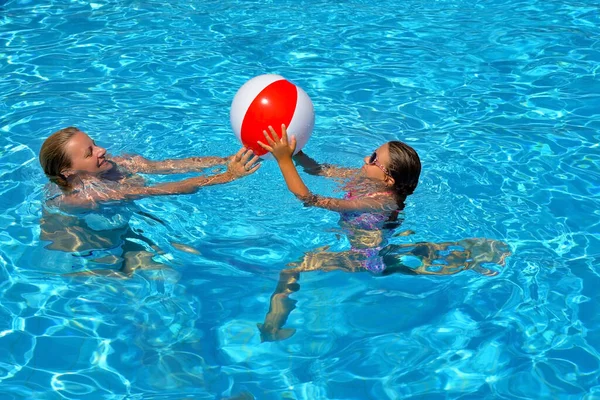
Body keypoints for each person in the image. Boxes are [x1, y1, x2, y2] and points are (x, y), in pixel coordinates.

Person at [255, 125, 511, 342]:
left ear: (388, 180)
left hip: (363, 258)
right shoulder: (364, 178)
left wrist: (284, 161)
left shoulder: (381, 201)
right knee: (399, 259)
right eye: (371, 154)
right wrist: (296, 153)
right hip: (374, 246)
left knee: (293, 267)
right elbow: (318, 170)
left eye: (374, 159)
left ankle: (272, 327)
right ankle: (468, 255)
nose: (366, 160)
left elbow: (309, 198)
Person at [38, 126, 261, 277]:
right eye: (90, 153)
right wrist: (228, 176)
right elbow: (160, 190)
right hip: (85, 245)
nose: (102, 150)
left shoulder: (111, 164)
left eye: (94, 144)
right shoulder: (83, 197)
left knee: (178, 261)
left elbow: (165, 166)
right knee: (162, 276)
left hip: (111, 226)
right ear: (67, 172)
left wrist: (225, 160)